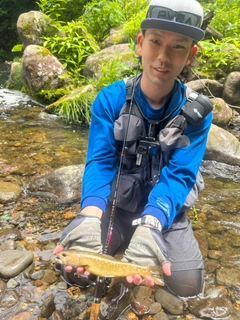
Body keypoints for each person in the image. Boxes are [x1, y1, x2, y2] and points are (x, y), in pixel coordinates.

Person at [54, 0, 213, 298]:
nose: (163, 57)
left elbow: (180, 175)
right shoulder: (110, 100)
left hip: (165, 212)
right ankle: (121, 242)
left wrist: (153, 222)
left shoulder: (197, 114)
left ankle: (146, 239)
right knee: (73, 271)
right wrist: (90, 214)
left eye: (178, 47)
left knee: (187, 285)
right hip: (118, 207)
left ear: (190, 55)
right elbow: (100, 163)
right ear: (140, 44)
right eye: (155, 41)